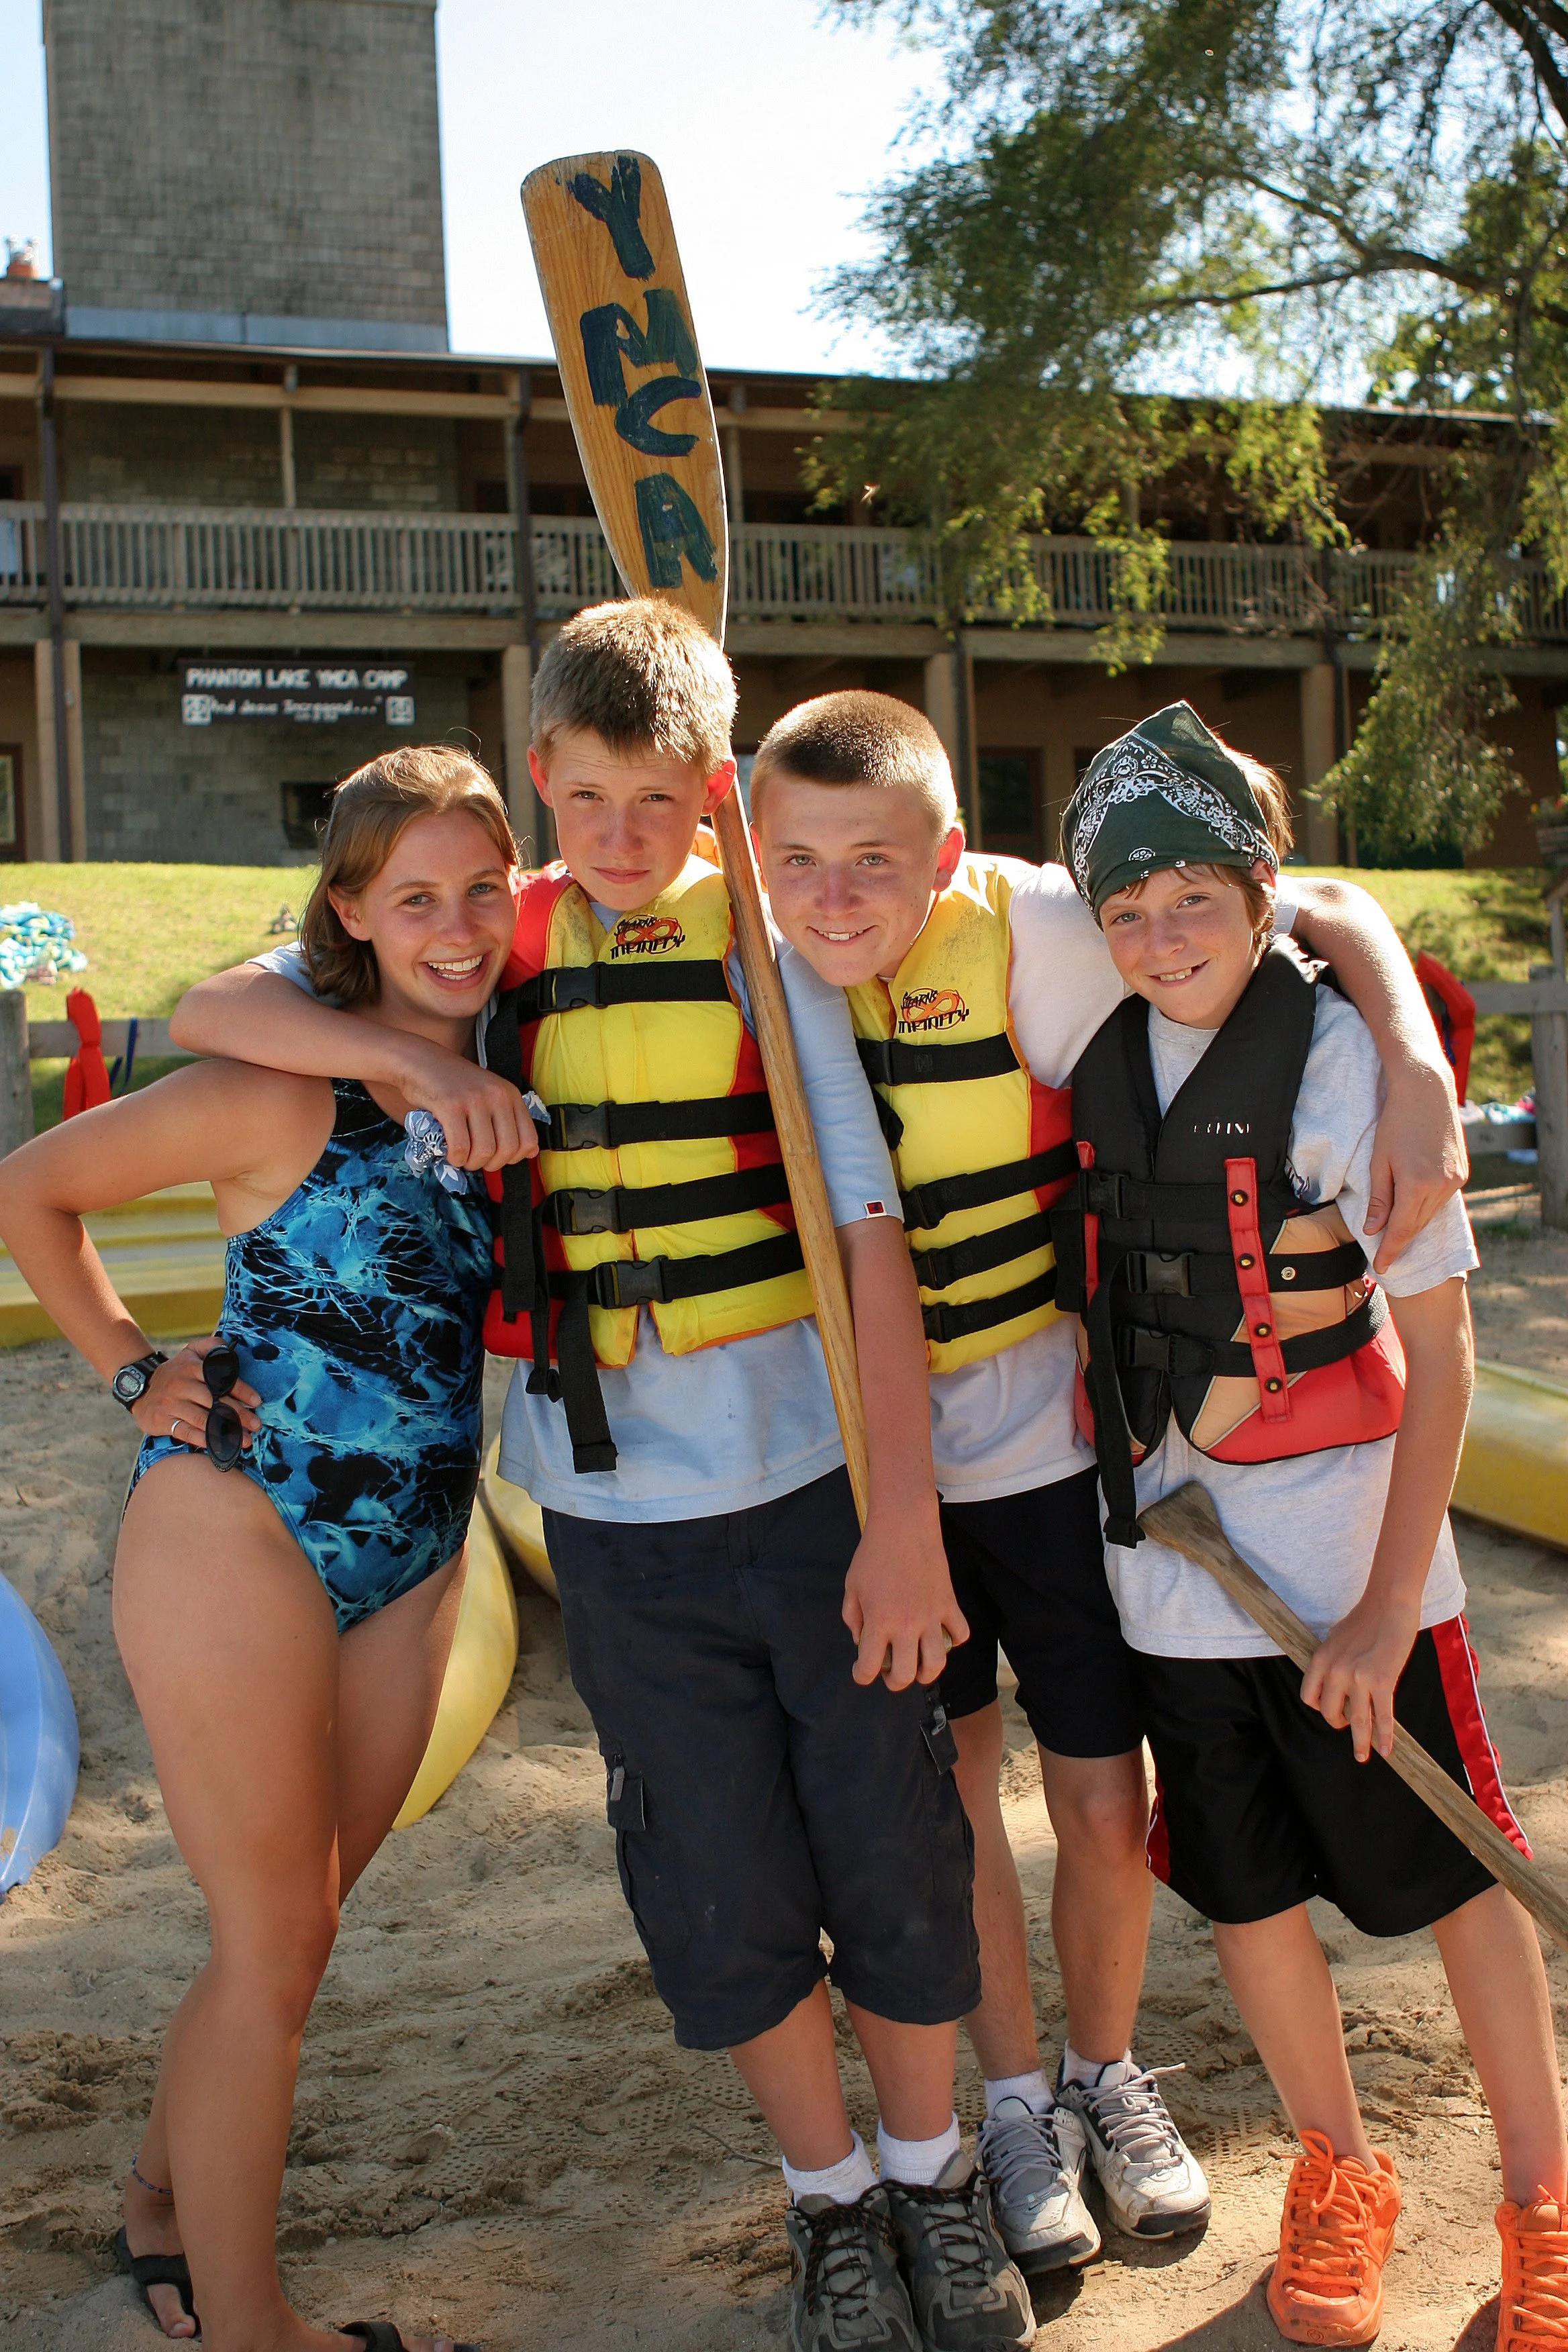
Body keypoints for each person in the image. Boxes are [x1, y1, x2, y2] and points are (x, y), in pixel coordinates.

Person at [170, 600, 1036, 2352]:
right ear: (543, 784)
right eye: (584, 803)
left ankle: (936, 2172)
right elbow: (217, 1003)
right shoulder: (494, 962)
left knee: (890, 1850)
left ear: (711, 792)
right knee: (714, 1881)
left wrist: (903, 1523)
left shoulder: (772, 949)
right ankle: (832, 2201)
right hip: (616, 1522)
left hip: (813, 1495)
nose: (622, 843)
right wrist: (412, 1057)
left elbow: (872, 1245)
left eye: (658, 804)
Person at [746, 689, 1469, 2279]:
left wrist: (1410, 1050)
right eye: (793, 863)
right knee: (949, 1794)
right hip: (878, 1470)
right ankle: (1014, 2107)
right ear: (756, 856)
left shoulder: (1052, 925)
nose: (833, 899)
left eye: (873, 863)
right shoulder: (761, 953)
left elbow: (1317, 900)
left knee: (1096, 1796)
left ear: (939, 855)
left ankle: (1101, 2074)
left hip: (1062, 1449)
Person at [1052, 701, 1566, 2349]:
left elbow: (1449, 1353)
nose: (1155, 936)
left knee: (1459, 1881)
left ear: (1260, 889)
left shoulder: (1341, 1061)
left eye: (1190, 899)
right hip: (1178, 1583)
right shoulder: (1097, 1031)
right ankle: (1339, 2172)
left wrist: (1380, 1607)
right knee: (1253, 1897)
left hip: (1359, 1581)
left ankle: (1545, 2195)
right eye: (1123, 911)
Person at [0, 746, 518, 2352]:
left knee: (301, 1925)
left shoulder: (509, 1057)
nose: (457, 923)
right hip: (240, 1525)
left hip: (419, 1550)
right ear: (351, 913)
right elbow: (27, 1189)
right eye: (414, 894)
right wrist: (122, 1367)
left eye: (483, 888)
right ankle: (253, 2328)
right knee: (271, 1938)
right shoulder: (283, 1083)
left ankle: (164, 2197)